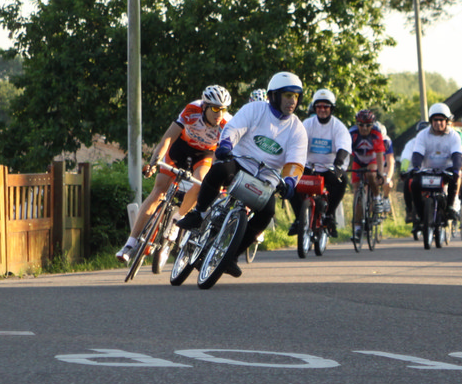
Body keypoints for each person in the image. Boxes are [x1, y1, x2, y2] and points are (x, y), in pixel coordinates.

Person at [175, 72, 307, 279]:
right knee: (219, 170)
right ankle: (198, 213)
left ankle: (231, 257)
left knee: (267, 213)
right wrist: (225, 145)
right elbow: (234, 128)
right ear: (273, 95)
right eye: (288, 95)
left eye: (296, 96)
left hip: (266, 179)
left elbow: (296, 161)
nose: (292, 101)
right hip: (240, 163)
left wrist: (290, 182)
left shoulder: (298, 129)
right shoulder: (255, 109)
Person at [116, 84, 232, 263]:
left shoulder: (227, 124)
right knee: (158, 190)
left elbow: (223, 156)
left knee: (201, 182)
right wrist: (154, 163)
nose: (219, 114)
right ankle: (130, 244)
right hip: (180, 148)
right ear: (204, 106)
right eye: (215, 109)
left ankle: (177, 221)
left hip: (205, 154)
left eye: (223, 109)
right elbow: (168, 138)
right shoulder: (192, 110)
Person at [289, 89, 351, 237]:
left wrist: (338, 164)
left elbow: (343, 147)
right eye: (319, 106)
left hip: (330, 168)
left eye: (326, 107)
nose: (322, 110)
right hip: (309, 167)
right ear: (314, 108)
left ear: (331, 108)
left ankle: (329, 215)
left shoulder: (338, 127)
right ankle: (299, 218)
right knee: (289, 182)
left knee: (342, 181)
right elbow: (298, 142)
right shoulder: (307, 124)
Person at [410, 102, 462, 221]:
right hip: (427, 170)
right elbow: (417, 154)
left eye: (441, 120)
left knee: (455, 179)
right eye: (435, 120)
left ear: (446, 121)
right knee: (414, 184)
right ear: (431, 121)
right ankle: (420, 214)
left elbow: (457, 155)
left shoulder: (454, 136)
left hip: (446, 170)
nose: (438, 123)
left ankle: (450, 207)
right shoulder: (422, 135)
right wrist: (416, 167)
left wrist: (456, 169)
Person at [348, 109, 386, 240]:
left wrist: (380, 173)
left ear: (372, 125)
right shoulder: (352, 134)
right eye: (361, 125)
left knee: (371, 174)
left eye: (368, 125)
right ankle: (357, 228)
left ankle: (376, 198)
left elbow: (380, 155)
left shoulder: (376, 134)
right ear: (357, 124)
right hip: (358, 161)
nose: (364, 128)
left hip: (373, 160)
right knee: (357, 194)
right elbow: (346, 153)